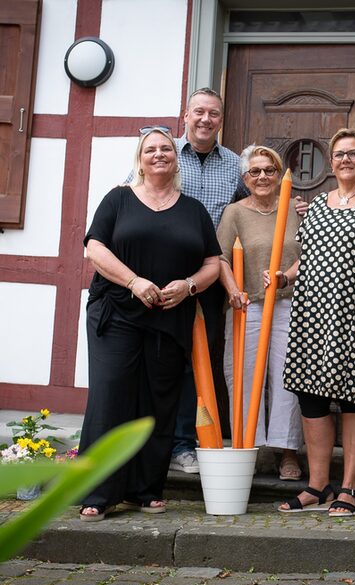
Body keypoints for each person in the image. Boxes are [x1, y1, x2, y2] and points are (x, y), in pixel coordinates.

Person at [79, 126, 221, 521]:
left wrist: (190, 285)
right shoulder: (119, 198)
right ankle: (99, 491)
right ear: (139, 160)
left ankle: (144, 489)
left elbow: (213, 261)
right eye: (150, 150)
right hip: (117, 313)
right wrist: (133, 280)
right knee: (111, 396)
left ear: (176, 158)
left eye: (166, 149)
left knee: (159, 401)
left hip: (170, 318)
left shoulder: (193, 209)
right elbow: (94, 247)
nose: (159, 154)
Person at [276, 128, 355, 517]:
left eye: (354, 153)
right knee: (311, 399)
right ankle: (317, 486)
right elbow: (312, 257)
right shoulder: (317, 205)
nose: (345, 159)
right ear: (331, 163)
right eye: (339, 154)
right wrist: (286, 276)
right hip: (313, 319)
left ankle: (348, 487)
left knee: (354, 399)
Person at [167, 88, 248, 473]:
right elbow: (129, 194)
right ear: (185, 115)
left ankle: (186, 442)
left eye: (213, 113)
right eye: (198, 111)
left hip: (211, 277)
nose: (205, 119)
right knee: (157, 357)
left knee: (199, 360)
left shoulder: (235, 164)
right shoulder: (163, 152)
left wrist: (290, 208)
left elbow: (253, 207)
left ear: (221, 119)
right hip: (160, 272)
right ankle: (149, 442)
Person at [217, 145, 303, 480]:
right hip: (246, 303)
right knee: (242, 375)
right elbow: (220, 257)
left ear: (280, 175)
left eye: (269, 170)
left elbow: (308, 251)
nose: (263, 177)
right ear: (245, 178)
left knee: (288, 378)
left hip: (289, 301)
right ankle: (247, 449)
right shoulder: (234, 213)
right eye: (255, 171)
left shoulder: (296, 210)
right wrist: (232, 291)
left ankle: (287, 453)